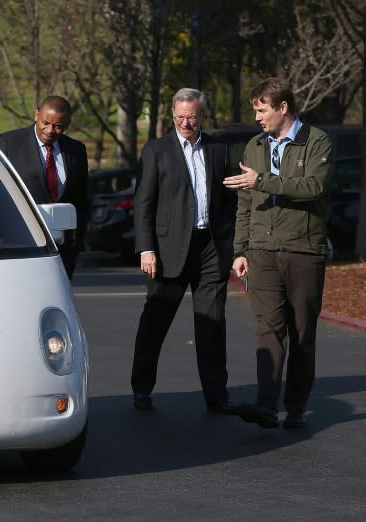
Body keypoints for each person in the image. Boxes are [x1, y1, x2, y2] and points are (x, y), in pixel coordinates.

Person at [223, 78, 333, 429]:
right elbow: (245, 203)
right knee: (268, 329)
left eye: (262, 110)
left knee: (302, 333)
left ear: (282, 107)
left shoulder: (317, 141)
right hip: (262, 252)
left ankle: (296, 407)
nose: (257, 117)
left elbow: (313, 187)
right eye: (256, 109)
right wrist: (241, 249)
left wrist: (262, 181)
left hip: (303, 250)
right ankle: (266, 405)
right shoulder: (255, 146)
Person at [131, 88, 237, 414]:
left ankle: (216, 395)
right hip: (168, 250)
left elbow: (229, 200)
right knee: (155, 322)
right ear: (172, 115)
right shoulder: (156, 151)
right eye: (180, 117)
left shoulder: (219, 149)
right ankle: (142, 388)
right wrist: (146, 249)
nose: (185, 123)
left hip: (209, 249)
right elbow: (143, 204)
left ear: (202, 115)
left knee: (212, 324)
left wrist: (230, 244)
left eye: (191, 117)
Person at [0, 96, 89, 279]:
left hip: (62, 249)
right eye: (46, 123)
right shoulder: (9, 143)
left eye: (58, 126)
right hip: (20, 244)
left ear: (68, 124)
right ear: (36, 115)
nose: (50, 130)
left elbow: (82, 198)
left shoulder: (76, 150)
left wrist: (79, 241)